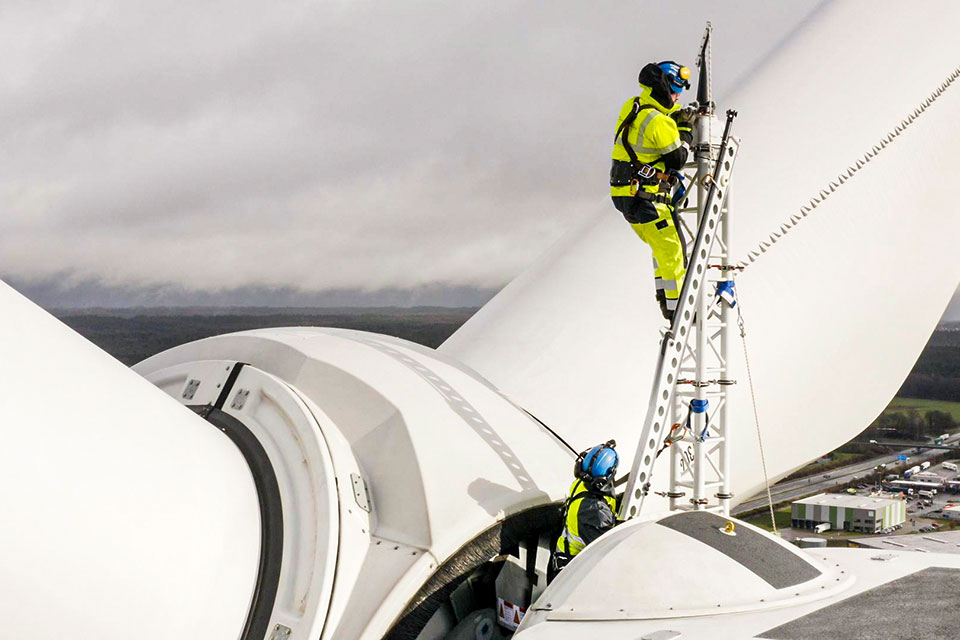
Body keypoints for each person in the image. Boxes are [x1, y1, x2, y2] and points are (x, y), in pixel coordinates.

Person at [610, 61, 697, 321]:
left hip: (627, 197)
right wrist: (685, 130)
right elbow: (677, 158)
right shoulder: (660, 122)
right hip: (649, 200)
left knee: (660, 251)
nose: (677, 96)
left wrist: (676, 114)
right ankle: (677, 311)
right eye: (674, 89)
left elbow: (651, 128)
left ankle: (665, 300)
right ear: (662, 87)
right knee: (674, 253)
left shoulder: (634, 106)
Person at [552, 441, 619, 576]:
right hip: (572, 572)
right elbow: (607, 552)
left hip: (562, 559)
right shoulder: (595, 511)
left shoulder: (581, 483)